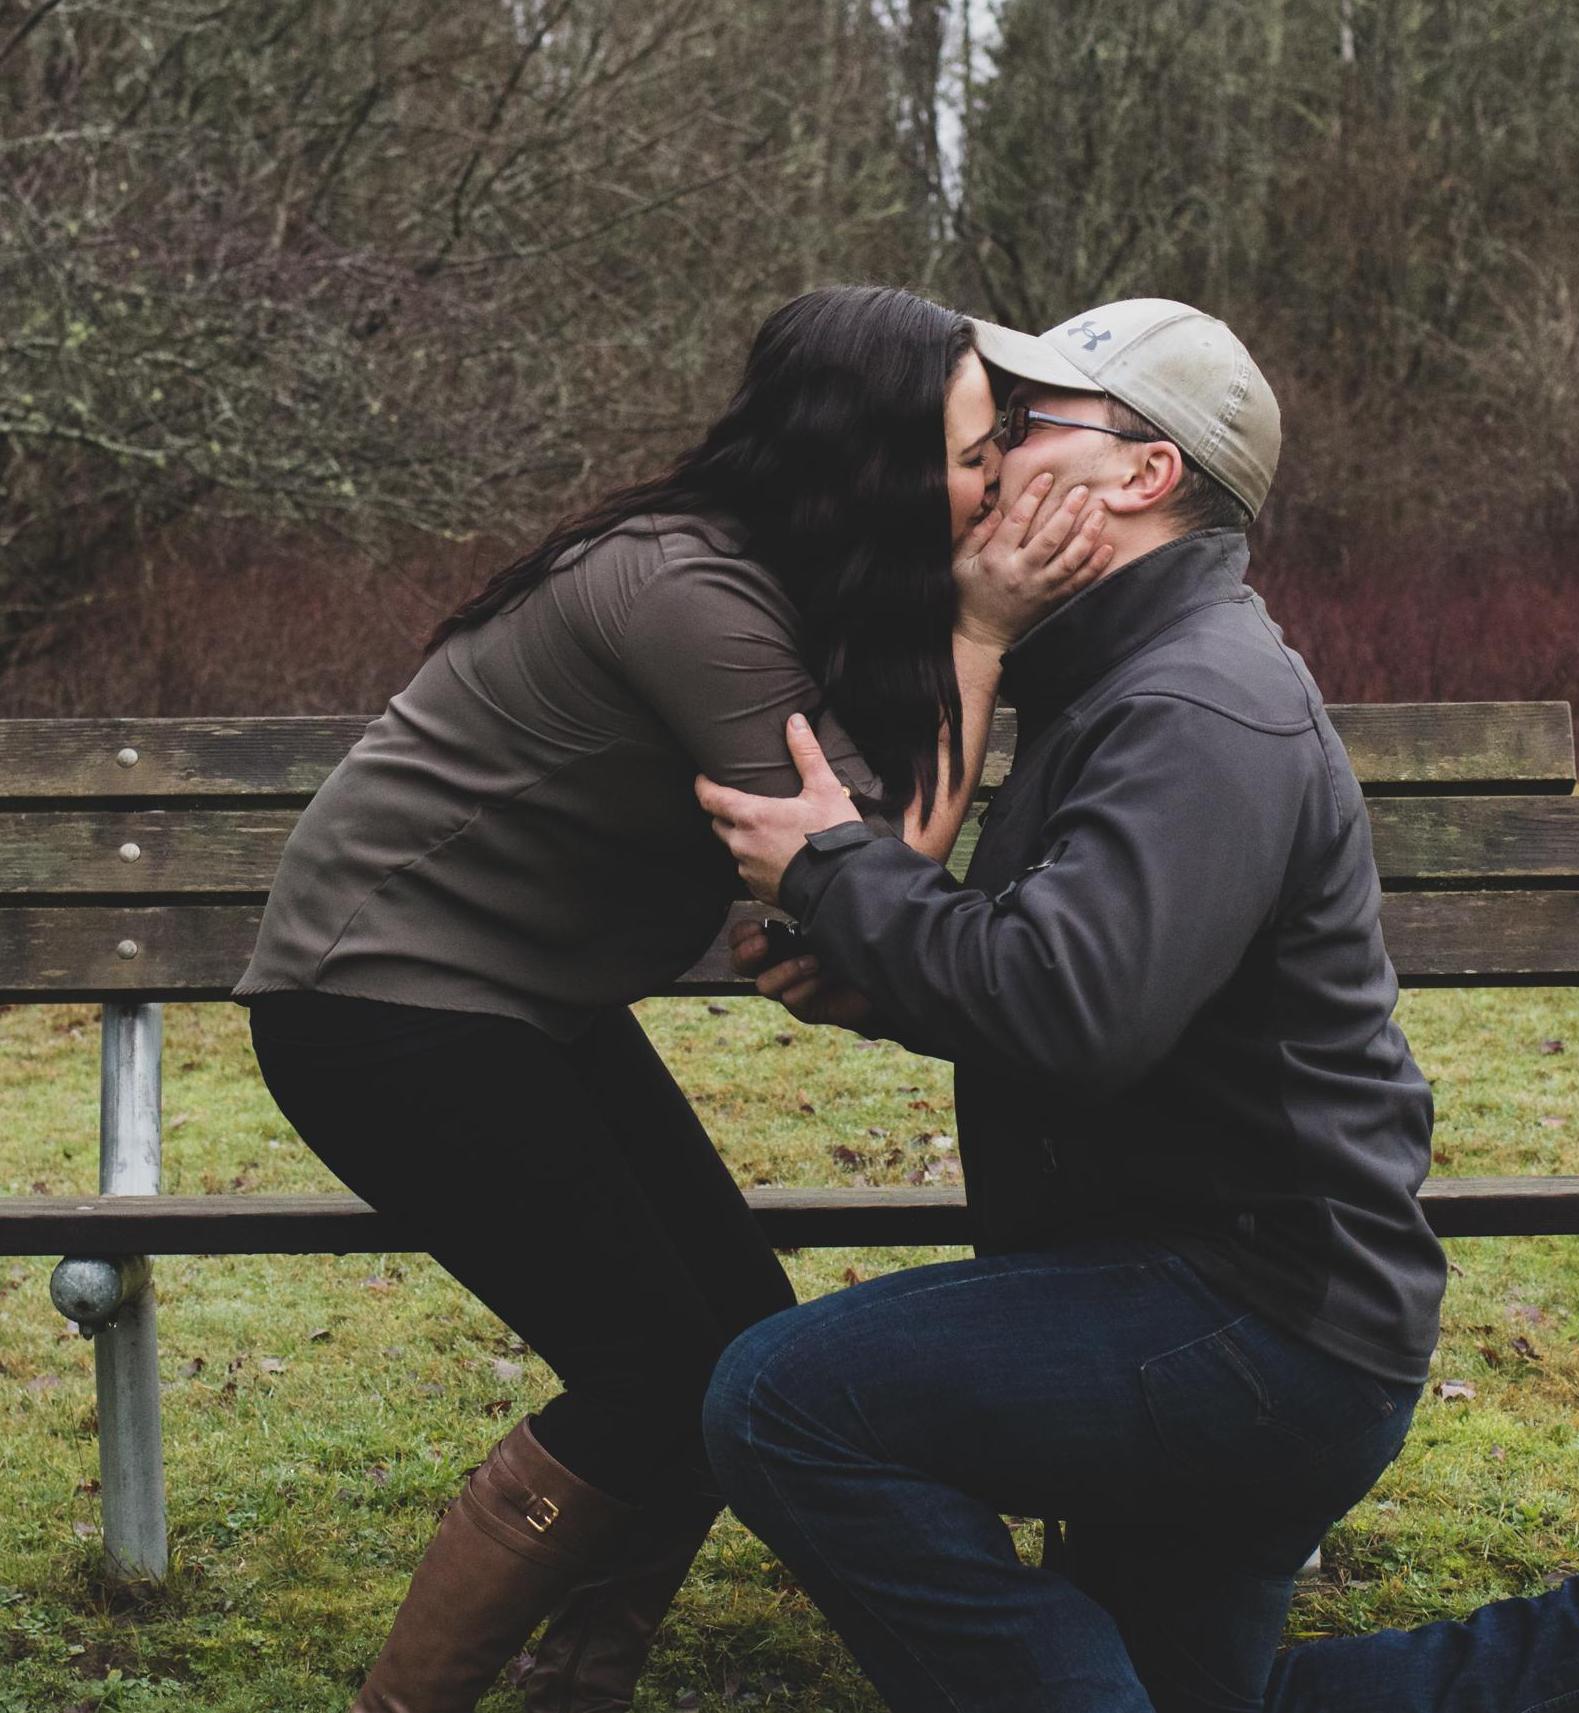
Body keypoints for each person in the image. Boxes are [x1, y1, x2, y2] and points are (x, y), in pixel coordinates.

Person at [695, 297, 1579, 1713]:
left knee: (784, 1399)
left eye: (1026, 422)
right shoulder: (1125, 677)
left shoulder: (1196, 703)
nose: (988, 454)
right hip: (1217, 1292)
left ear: (1142, 472)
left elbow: (1073, 1007)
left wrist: (835, 870)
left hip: (1254, 1323)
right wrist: (878, 980)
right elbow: (1097, 981)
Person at [231, 284, 1114, 1713]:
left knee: (734, 1348)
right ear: (872, 466)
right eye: (972, 454)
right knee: (653, 1372)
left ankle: (574, 1687)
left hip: (521, 1006)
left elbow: (836, 873)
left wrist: (817, 925)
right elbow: (879, 860)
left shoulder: (783, 577)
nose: (997, 479)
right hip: (380, 1000)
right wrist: (983, 630)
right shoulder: (685, 593)